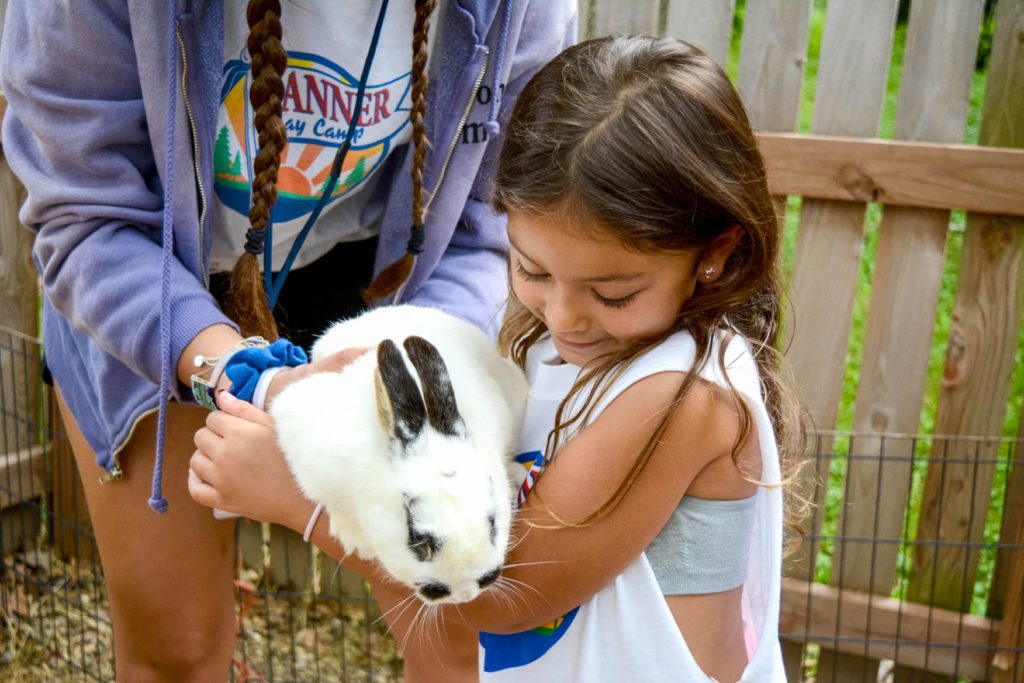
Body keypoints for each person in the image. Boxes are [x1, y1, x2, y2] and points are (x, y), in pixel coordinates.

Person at [190, 35, 805, 682]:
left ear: (714, 251)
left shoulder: (681, 394)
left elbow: (506, 588)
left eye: (613, 292)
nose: (563, 316)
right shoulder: (567, 352)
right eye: (531, 268)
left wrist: (303, 501)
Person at [0, 0, 576, 679]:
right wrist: (250, 377)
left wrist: (426, 355)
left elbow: (489, 214)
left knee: (457, 631)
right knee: (176, 647)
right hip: (152, 279)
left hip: (379, 281)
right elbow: (86, 216)